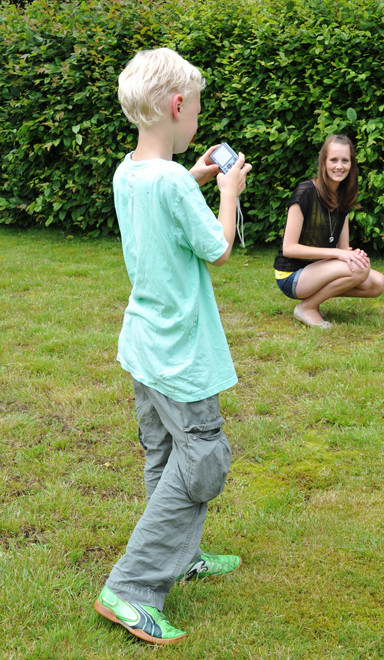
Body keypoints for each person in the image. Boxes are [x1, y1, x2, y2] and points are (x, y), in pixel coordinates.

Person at [93, 48, 252, 645]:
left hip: (142, 348)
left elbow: (167, 197)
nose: (197, 122)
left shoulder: (130, 172)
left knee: (162, 461)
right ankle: (132, 588)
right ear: (178, 106)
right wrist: (229, 188)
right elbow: (216, 246)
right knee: (202, 463)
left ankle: (179, 557)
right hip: (182, 357)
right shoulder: (168, 182)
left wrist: (202, 175)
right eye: (197, 109)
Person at [273, 134, 384, 327]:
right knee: (360, 269)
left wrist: (352, 255)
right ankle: (307, 308)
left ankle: (310, 304)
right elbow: (289, 248)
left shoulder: (344, 197)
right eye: (333, 160)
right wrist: (339, 254)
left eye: (345, 160)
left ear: (352, 164)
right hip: (291, 276)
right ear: (323, 162)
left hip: (318, 271)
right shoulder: (305, 192)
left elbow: (343, 249)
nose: (339, 166)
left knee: (378, 283)